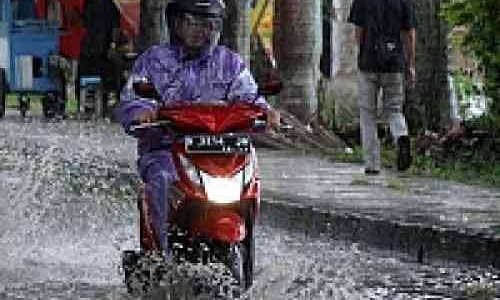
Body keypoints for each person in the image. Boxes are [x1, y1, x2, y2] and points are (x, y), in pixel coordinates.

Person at [115, 0, 280, 256]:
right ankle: (162, 255)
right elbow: (134, 97)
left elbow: (248, 96)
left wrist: (267, 112)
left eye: (208, 23)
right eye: (191, 22)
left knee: (251, 178)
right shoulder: (154, 61)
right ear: (175, 23)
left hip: (223, 150)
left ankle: (247, 249)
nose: (199, 30)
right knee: (161, 178)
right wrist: (142, 112)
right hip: (166, 150)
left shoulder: (230, 63)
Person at [348, 0, 416, 174]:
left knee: (368, 114)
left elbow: (358, 30)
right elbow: (409, 33)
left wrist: (362, 53)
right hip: (394, 63)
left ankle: (372, 164)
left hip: (369, 62)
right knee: (394, 109)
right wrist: (410, 64)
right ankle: (401, 136)